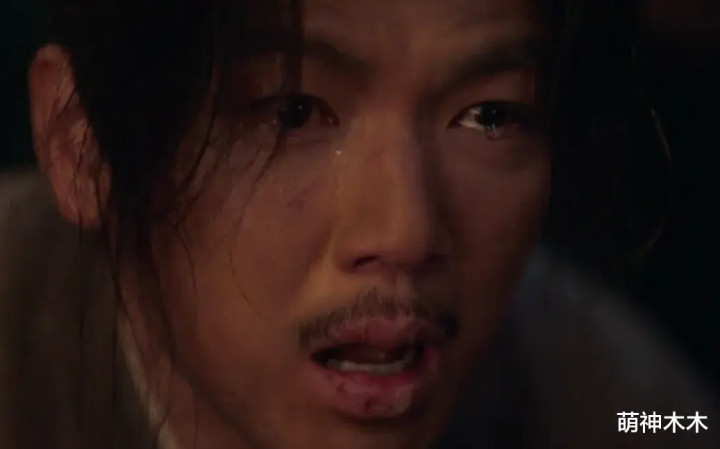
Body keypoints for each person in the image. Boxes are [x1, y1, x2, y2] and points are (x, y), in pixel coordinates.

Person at [0, 0, 717, 448]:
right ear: (81, 143)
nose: (407, 232)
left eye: (490, 115)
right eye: (293, 113)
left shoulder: (616, 405)